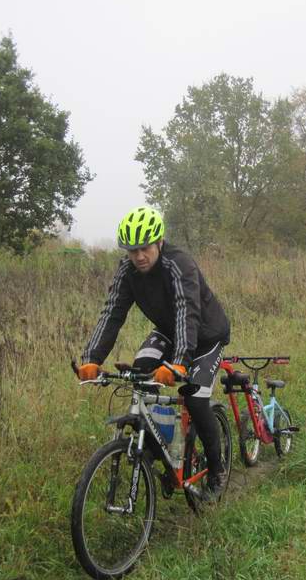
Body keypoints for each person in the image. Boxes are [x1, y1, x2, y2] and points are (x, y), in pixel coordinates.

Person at [76, 206, 231, 501]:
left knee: (195, 400)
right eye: (131, 250)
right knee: (141, 371)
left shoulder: (179, 264)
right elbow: (112, 314)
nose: (139, 256)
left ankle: (217, 468)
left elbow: (188, 313)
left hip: (206, 335)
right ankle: (159, 449)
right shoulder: (128, 271)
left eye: (144, 248)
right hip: (169, 332)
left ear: (159, 241)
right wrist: (92, 359)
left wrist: (179, 364)